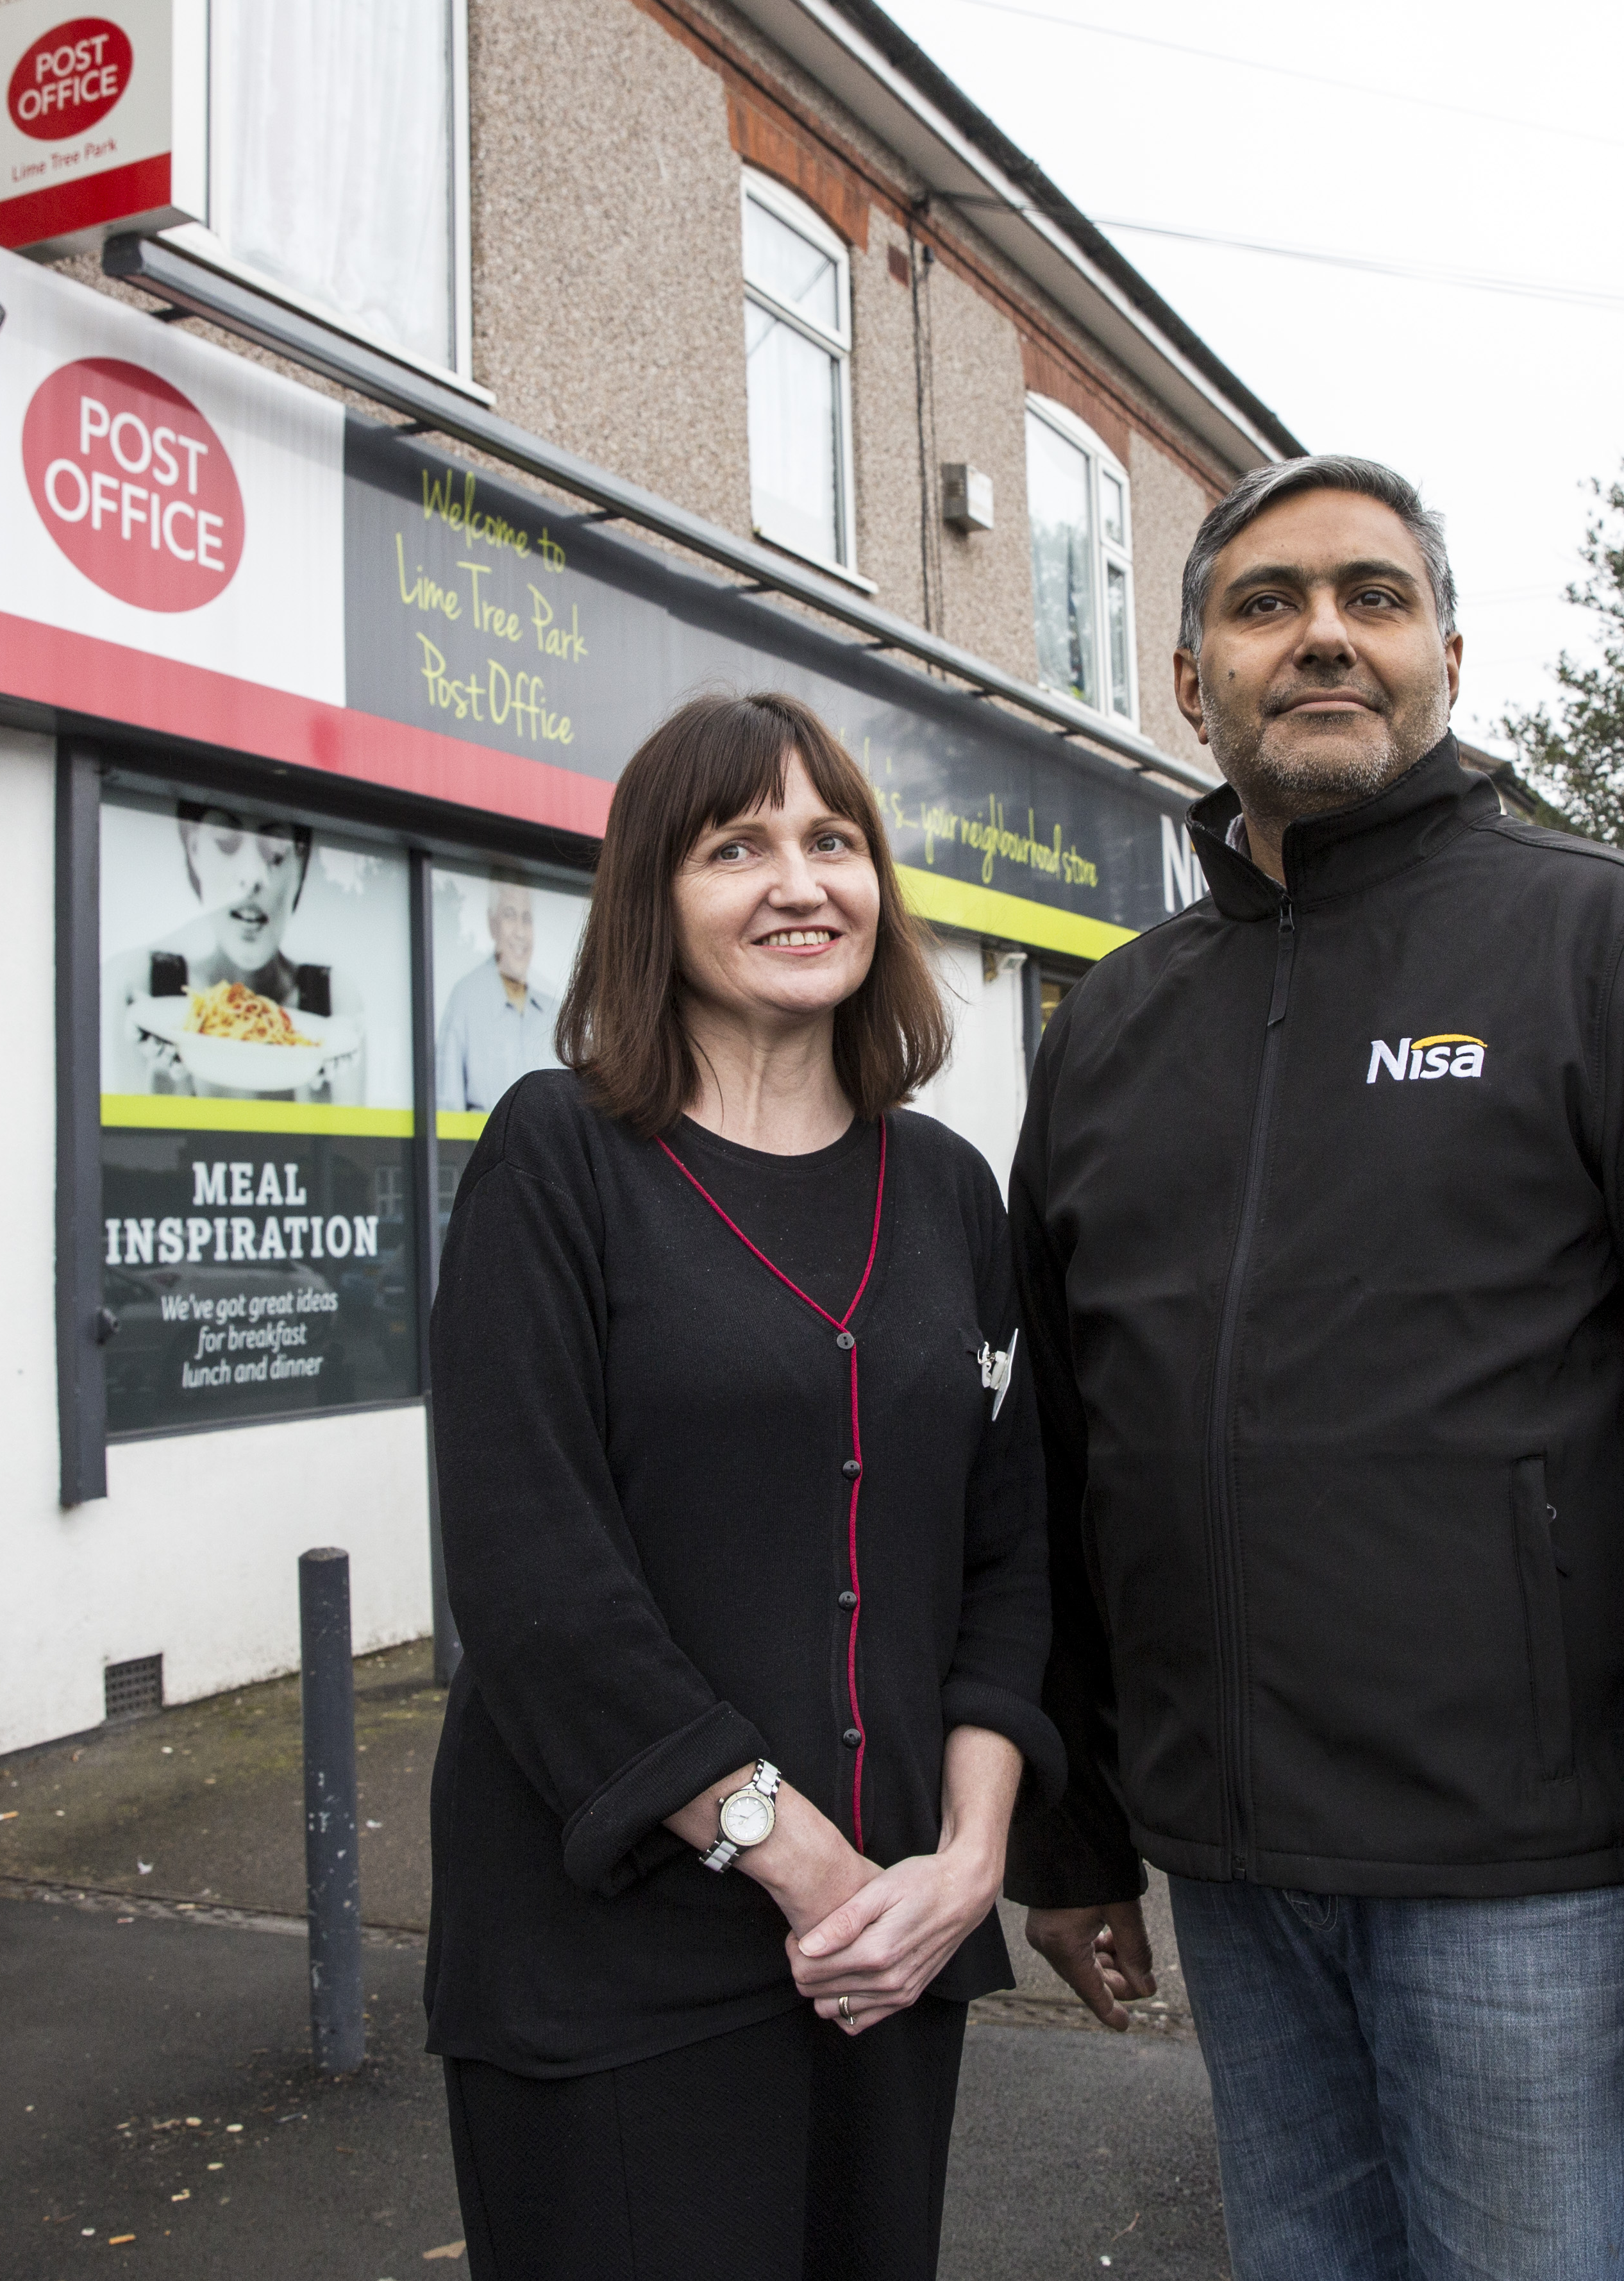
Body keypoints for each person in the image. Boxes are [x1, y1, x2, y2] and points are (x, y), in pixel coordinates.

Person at [1004, 455, 1624, 2280]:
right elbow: (1060, 1463)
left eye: (1369, 598)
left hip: (1531, 1886)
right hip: (1235, 1875)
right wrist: (1071, 1834)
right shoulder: (1112, 1030)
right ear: (1187, 679)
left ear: (1444, 657)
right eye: (1263, 602)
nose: (1320, 633)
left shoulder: (1608, 945)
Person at [424, 690, 1059, 2280]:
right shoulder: (560, 1156)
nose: (801, 881)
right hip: (618, 1961)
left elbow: (1007, 1553)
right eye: (738, 846)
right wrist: (799, 1857)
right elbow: (532, 1575)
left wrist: (967, 1865)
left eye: (833, 840)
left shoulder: (947, 1191)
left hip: (887, 1956)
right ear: (654, 897)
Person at [99, 801, 349, 1100]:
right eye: (225, 843)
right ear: (194, 852)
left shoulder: (335, 1003)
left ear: (301, 860)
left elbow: (352, 1145)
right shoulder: (145, 989)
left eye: (274, 852)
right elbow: (127, 1140)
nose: (251, 878)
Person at [435, 868, 562, 1111]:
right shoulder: (465, 1000)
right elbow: (446, 1111)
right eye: (509, 915)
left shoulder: (554, 1010)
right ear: (492, 924)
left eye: (527, 919)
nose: (520, 932)